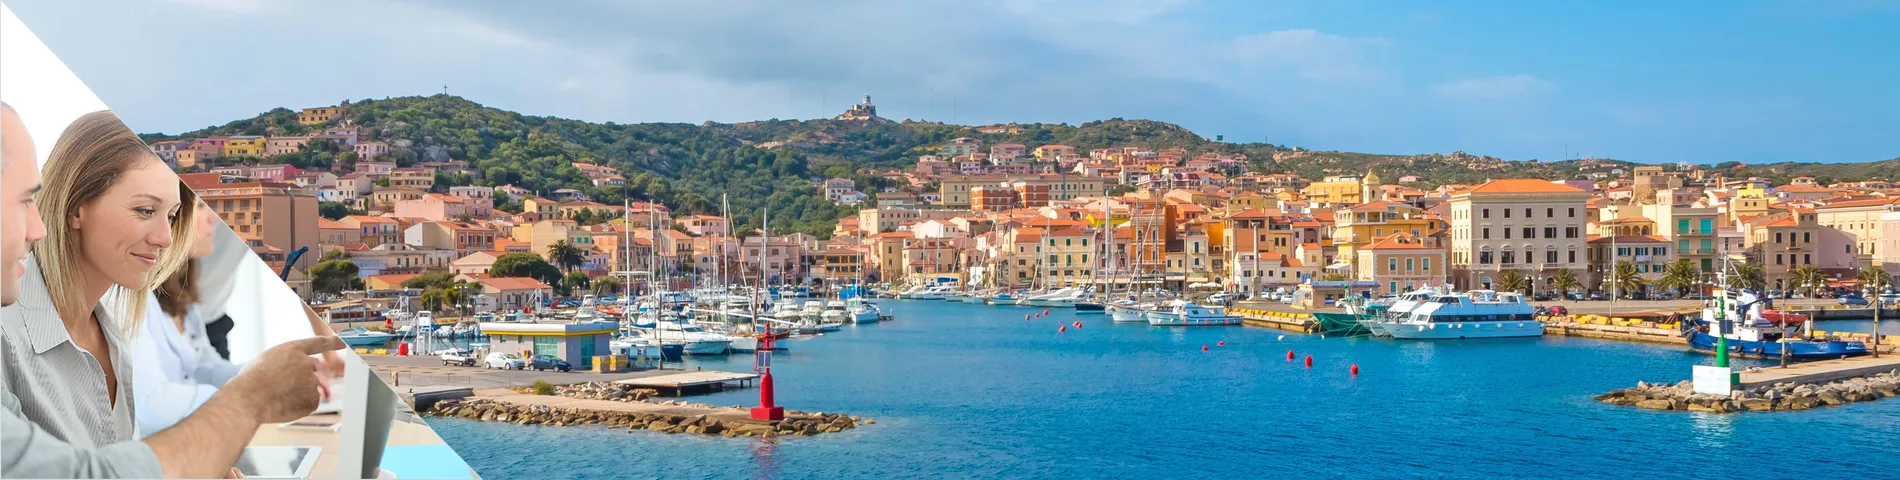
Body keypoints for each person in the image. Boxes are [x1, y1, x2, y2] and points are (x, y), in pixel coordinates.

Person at [1, 105, 346, 479]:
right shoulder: (10, 341)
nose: (165, 239)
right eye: (145, 210)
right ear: (76, 207)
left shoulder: (111, 329)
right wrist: (250, 397)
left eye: (170, 216)